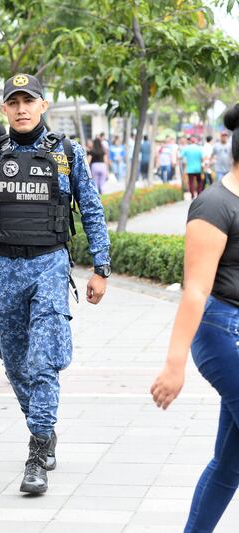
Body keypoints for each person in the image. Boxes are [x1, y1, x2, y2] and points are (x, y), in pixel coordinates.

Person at [0, 74, 110, 495]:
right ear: (4, 110)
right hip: (3, 268)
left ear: (44, 105)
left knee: (42, 359)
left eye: (30, 101)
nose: (22, 109)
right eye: (14, 102)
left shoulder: (66, 153)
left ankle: (38, 449)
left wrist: (101, 267)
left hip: (49, 266)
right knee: (14, 361)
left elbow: (92, 211)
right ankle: (42, 426)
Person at [151, 104, 239, 533]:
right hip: (222, 331)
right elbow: (196, 290)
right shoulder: (214, 205)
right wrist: (174, 363)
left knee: (229, 463)